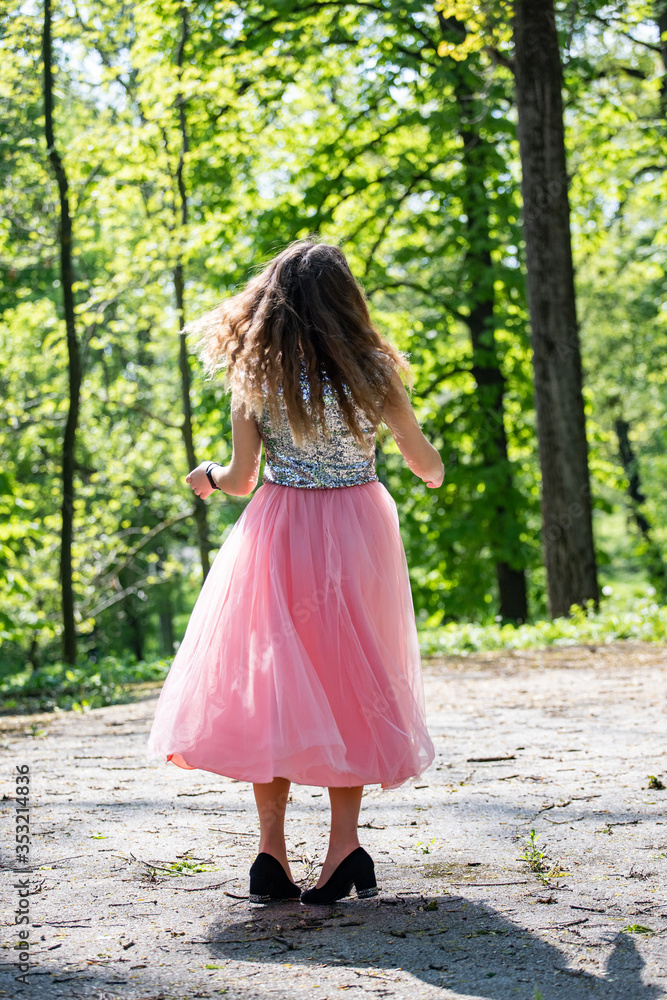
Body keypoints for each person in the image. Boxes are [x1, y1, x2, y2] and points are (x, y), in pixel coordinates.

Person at [147, 239, 444, 906]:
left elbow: (242, 476)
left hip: (279, 528)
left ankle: (270, 853)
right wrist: (430, 471)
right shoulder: (373, 371)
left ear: (272, 303)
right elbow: (425, 464)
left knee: (274, 682)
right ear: (346, 302)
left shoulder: (257, 373)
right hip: (356, 526)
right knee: (354, 673)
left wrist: (208, 478)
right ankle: (343, 848)